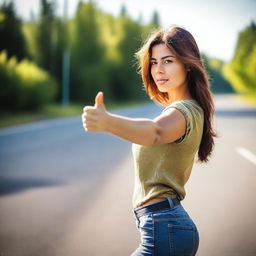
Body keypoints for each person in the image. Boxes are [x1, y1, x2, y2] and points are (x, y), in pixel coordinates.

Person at [82, 25, 216, 256]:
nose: (158, 70)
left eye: (168, 61)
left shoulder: (184, 111)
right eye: (154, 62)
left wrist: (108, 122)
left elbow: (154, 132)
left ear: (188, 63)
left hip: (164, 228)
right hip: (164, 227)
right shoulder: (185, 110)